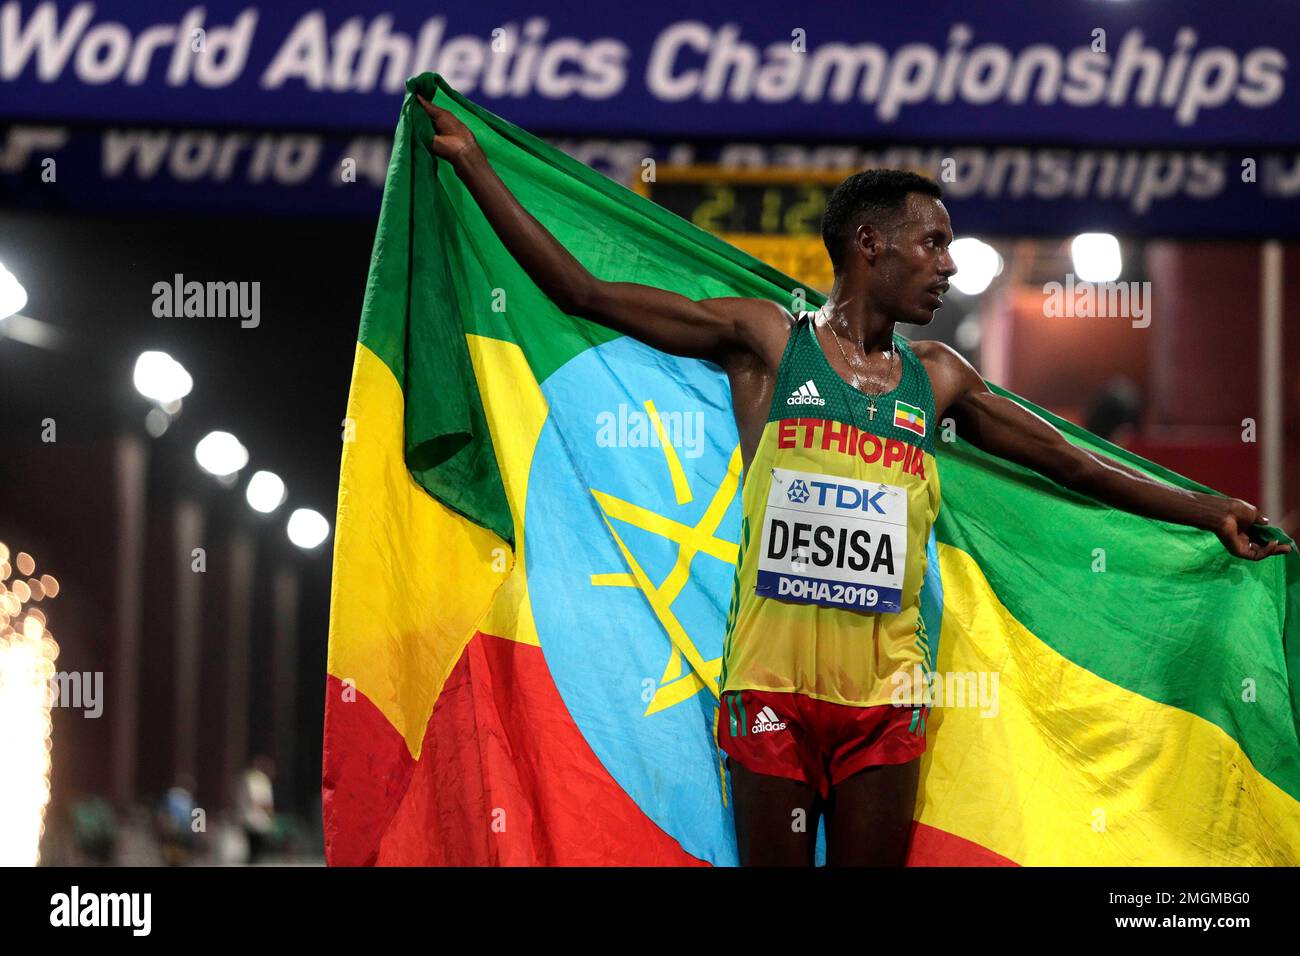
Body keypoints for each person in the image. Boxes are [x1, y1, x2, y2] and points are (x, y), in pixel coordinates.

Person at [415, 93, 1291, 867]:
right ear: (871, 245)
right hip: (772, 695)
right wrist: (480, 169)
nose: (949, 265)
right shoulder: (768, 343)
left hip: (885, 706)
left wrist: (1207, 508)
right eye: (933, 243)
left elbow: (1070, 460)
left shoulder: (938, 376)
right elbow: (580, 291)